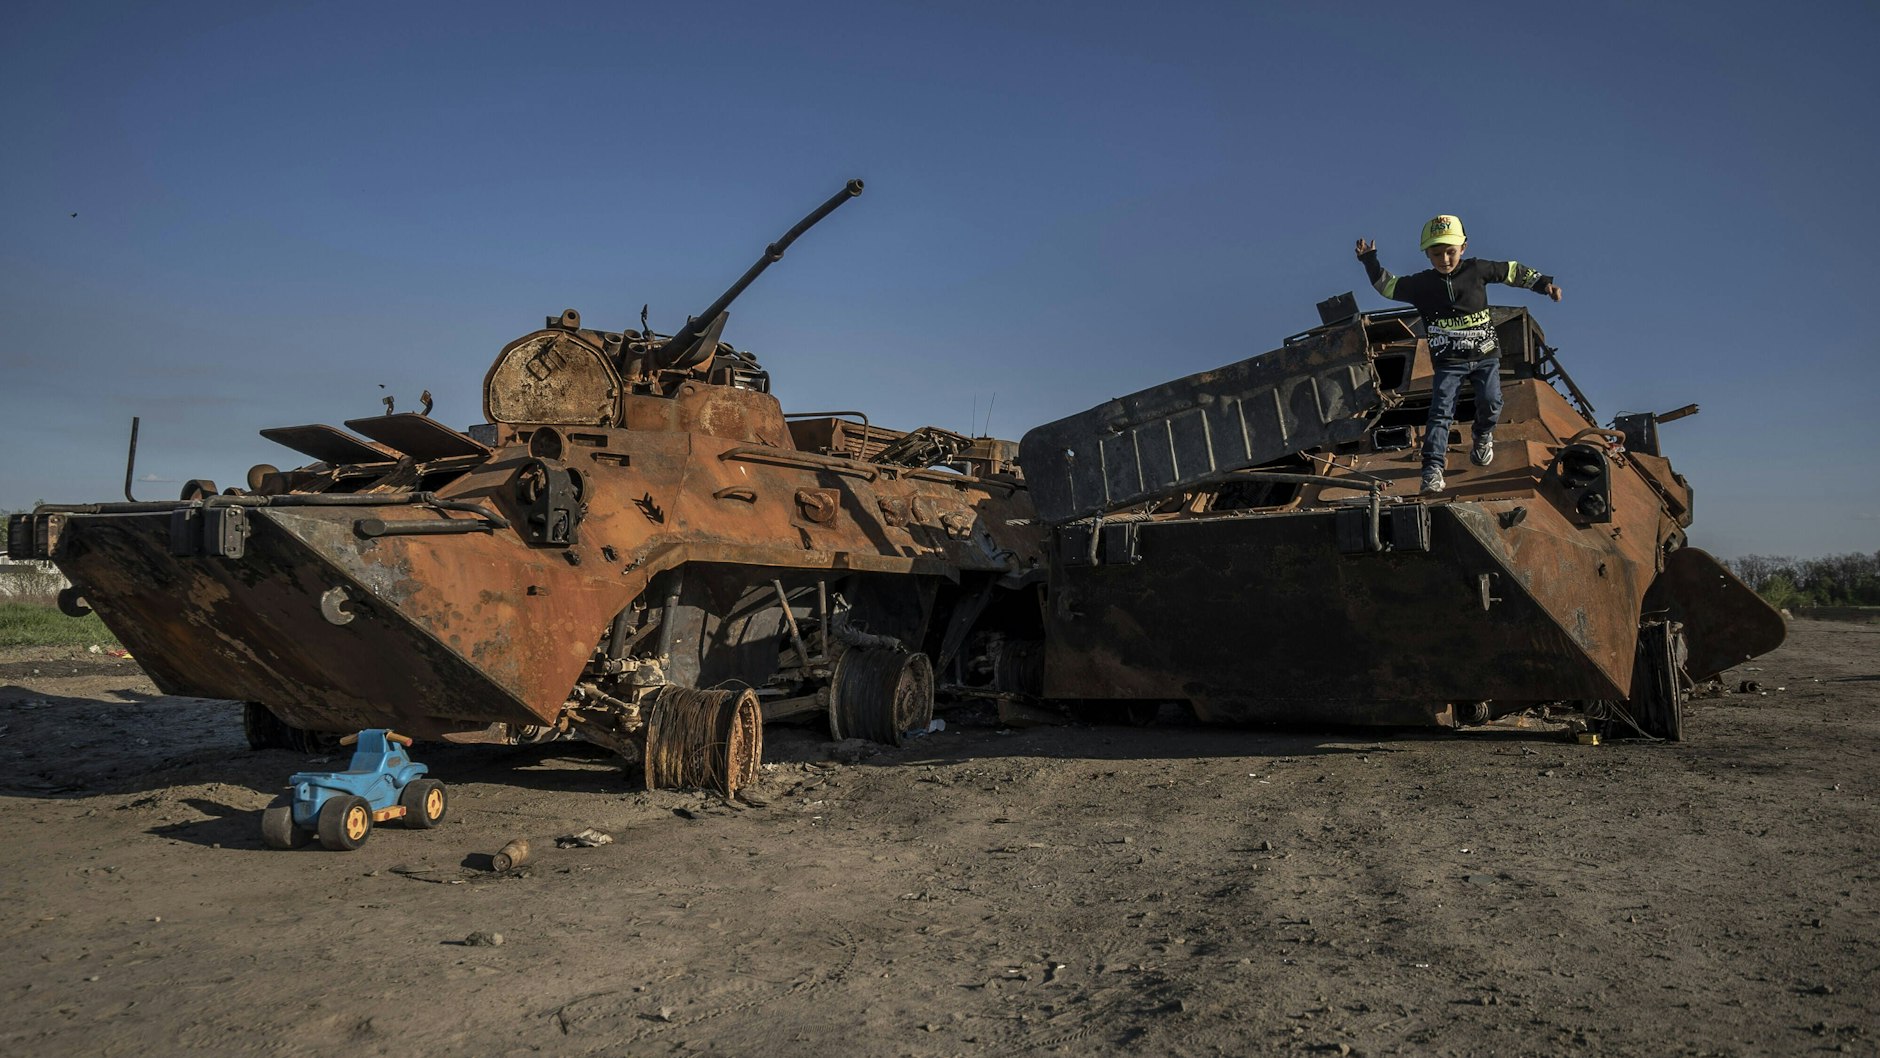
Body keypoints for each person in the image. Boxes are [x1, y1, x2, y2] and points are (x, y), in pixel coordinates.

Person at [1354, 215, 1562, 493]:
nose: (1444, 259)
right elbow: (1388, 286)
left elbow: (1512, 271)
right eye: (1437, 253)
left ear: (1463, 248)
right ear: (1427, 254)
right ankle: (1432, 470)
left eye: (1450, 251)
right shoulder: (1422, 284)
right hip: (1449, 362)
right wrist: (1370, 261)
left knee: (1491, 402)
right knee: (1440, 413)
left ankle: (1483, 434)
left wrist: (1543, 284)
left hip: (1485, 355)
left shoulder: (1477, 270)